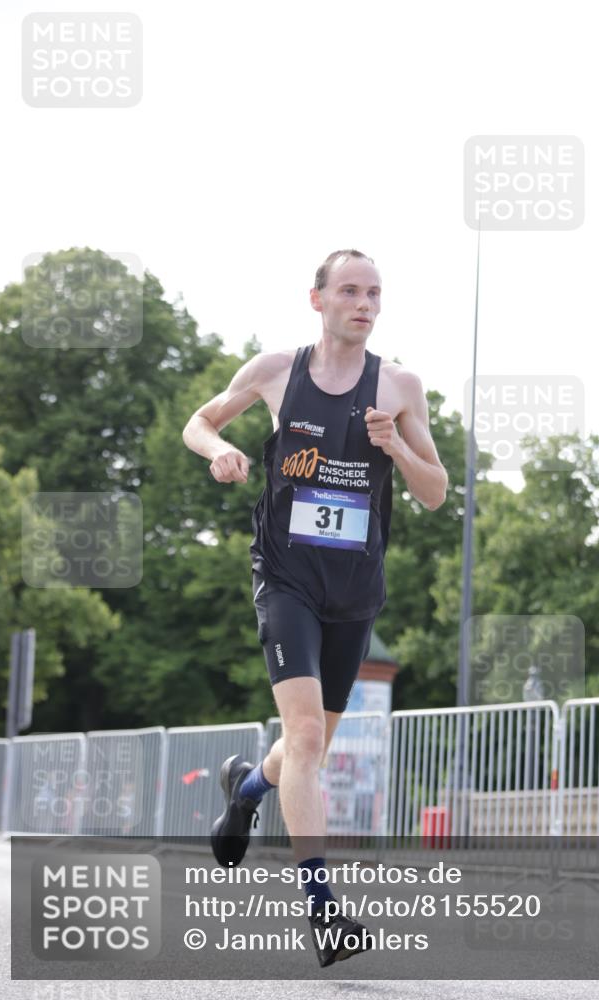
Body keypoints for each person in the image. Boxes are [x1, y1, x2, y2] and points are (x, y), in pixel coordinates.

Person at [182, 248, 448, 966]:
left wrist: (396, 448)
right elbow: (199, 420)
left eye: (374, 293)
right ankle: (324, 910)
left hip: (354, 590)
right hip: (286, 578)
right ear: (318, 299)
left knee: (309, 748)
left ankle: (245, 789)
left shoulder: (399, 385)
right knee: (304, 737)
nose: (364, 304)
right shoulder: (277, 371)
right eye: (350, 291)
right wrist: (218, 450)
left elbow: (434, 493)